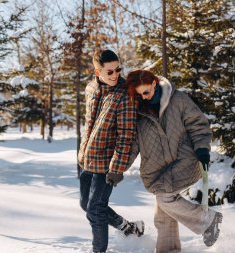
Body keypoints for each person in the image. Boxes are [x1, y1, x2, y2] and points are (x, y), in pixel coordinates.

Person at [125, 69, 222, 253]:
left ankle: (207, 219)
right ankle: (168, 250)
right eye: (138, 95)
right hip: (158, 170)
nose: (143, 98)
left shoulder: (178, 100)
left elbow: (198, 124)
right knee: (163, 214)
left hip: (184, 161)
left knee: (164, 197)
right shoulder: (137, 112)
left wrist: (202, 149)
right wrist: (116, 168)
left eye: (145, 92)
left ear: (154, 83)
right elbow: (132, 145)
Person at [78, 49, 144, 253]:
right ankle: (130, 228)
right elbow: (89, 124)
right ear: (97, 73)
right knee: (85, 205)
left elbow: (126, 136)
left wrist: (116, 168)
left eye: (118, 70)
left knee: (95, 210)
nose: (115, 75)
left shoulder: (125, 95)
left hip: (107, 163)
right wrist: (82, 154)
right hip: (86, 159)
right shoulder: (91, 88)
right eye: (110, 72)